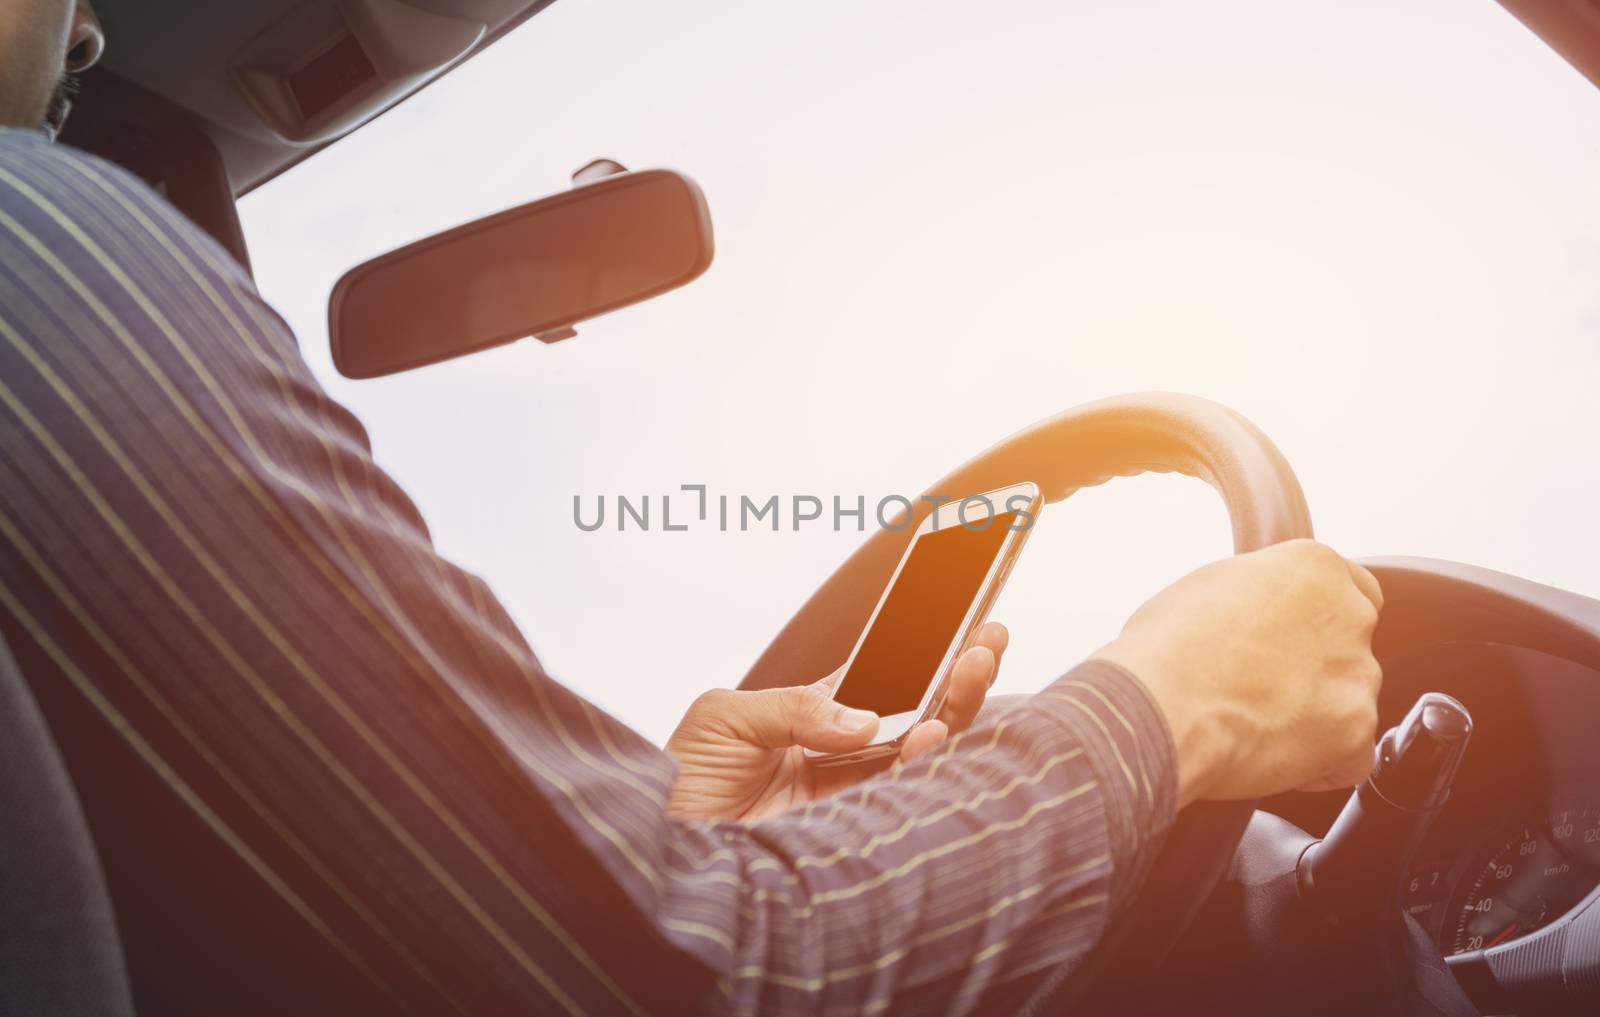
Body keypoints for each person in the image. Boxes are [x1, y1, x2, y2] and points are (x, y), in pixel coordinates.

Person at [0, 3, 1385, 1014]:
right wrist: (1175, 706)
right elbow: (684, 987)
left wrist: (677, 846)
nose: (90, 39)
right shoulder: (39, 242)